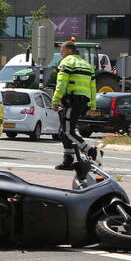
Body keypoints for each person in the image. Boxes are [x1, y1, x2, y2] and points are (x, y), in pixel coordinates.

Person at [50, 40, 97, 170]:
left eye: (62, 50)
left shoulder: (66, 62)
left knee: (67, 131)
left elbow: (61, 83)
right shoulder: (88, 65)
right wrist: (92, 104)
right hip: (83, 101)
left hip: (72, 100)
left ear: (70, 50)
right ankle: (68, 160)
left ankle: (91, 152)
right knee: (63, 131)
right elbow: (93, 86)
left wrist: (55, 100)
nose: (60, 53)